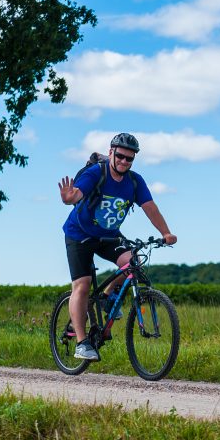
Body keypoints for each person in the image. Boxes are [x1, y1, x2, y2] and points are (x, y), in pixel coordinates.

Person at [59, 132, 177, 360]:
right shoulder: (97, 173)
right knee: (82, 287)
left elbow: (150, 207)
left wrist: (165, 233)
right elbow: (76, 195)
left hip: (109, 235)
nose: (124, 162)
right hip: (79, 234)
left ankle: (107, 294)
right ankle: (82, 344)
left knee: (134, 262)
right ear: (111, 152)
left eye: (129, 159)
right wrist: (68, 198)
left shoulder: (135, 181)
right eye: (120, 156)